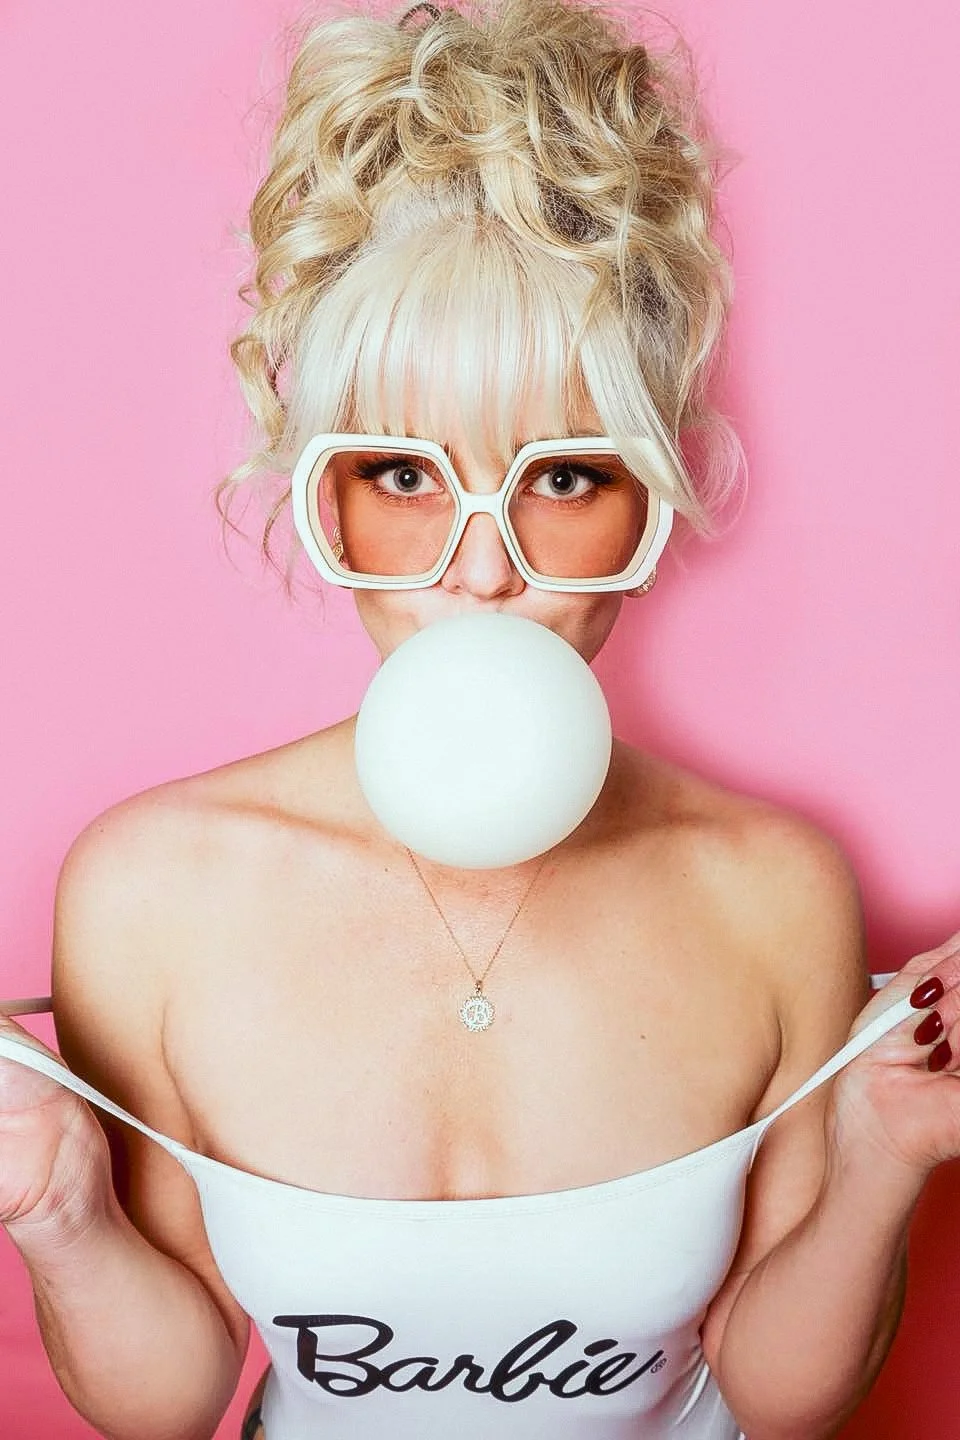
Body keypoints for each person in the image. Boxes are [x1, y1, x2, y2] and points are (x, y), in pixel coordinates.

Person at [0, 2, 957, 1438]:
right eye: (402, 475)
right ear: (319, 496)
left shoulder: (772, 887)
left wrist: (887, 1148)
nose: (481, 562)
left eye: (563, 478)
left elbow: (780, 1396)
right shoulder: (149, 889)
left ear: (653, 495)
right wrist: (60, 1212)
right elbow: (170, 1404)